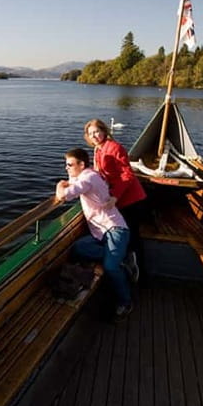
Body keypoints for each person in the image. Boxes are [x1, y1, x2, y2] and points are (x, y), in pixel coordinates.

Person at [55, 148, 132, 322]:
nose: (66, 168)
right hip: (100, 233)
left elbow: (63, 195)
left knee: (110, 267)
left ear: (81, 165)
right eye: (66, 164)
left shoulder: (88, 178)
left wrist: (59, 185)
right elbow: (73, 181)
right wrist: (70, 180)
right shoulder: (87, 174)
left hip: (115, 229)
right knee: (79, 248)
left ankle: (125, 302)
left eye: (69, 164)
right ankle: (123, 257)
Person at [83, 118, 146, 281]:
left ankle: (140, 272)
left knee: (132, 235)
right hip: (116, 198)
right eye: (91, 134)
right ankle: (124, 263)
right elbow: (99, 172)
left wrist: (114, 197)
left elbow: (128, 174)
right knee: (125, 233)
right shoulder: (98, 149)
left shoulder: (114, 148)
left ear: (104, 131)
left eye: (97, 131)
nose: (94, 136)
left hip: (130, 198)